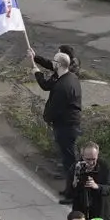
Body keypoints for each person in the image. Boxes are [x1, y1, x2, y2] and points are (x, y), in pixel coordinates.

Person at [33, 47, 81, 181]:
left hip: (66, 123)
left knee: (68, 151)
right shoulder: (69, 77)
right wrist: (35, 57)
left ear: (59, 64)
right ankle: (68, 172)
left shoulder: (62, 86)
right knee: (67, 150)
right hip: (69, 122)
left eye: (55, 61)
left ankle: (72, 178)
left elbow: (55, 107)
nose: (52, 63)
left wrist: (47, 118)